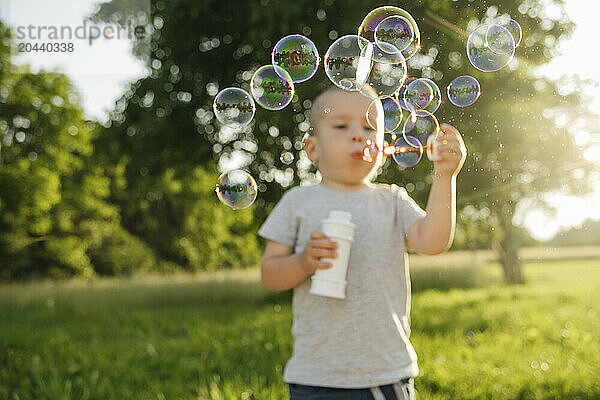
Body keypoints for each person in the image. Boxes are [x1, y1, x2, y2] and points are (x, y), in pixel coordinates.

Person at [258, 85, 467, 400]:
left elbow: (432, 242)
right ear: (312, 149)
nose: (359, 135)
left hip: (385, 373)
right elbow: (270, 275)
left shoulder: (392, 200)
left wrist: (444, 177)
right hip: (316, 376)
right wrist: (302, 262)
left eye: (370, 127)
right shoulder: (297, 202)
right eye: (342, 126)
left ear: (382, 148)